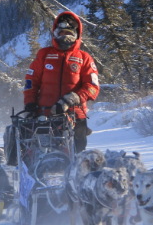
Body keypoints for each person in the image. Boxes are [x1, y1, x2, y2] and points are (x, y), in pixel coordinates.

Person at [23, 11, 98, 152]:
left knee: (77, 155)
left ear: (76, 35)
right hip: (45, 115)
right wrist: (30, 104)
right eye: (61, 33)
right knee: (41, 153)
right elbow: (30, 82)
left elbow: (92, 87)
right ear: (55, 34)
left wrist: (73, 98)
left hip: (75, 116)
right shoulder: (44, 54)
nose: (65, 37)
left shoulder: (84, 58)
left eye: (69, 34)